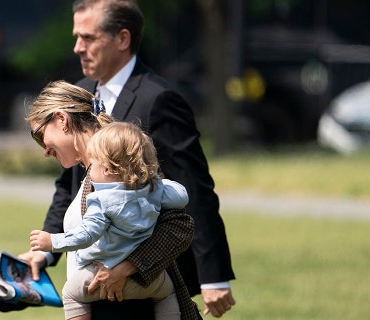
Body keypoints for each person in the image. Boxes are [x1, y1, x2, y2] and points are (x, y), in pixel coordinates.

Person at [25, 0, 237, 318]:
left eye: (88, 38)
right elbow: (67, 188)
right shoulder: (80, 96)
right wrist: (45, 253)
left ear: (122, 39)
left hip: (145, 285)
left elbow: (194, 190)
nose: (77, 48)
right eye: (76, 37)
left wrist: (213, 275)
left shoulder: (158, 100)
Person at [20, 80, 199, 319]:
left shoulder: (118, 164)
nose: (44, 150)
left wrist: (125, 269)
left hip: (131, 310)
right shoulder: (91, 168)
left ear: (61, 120)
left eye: (40, 136)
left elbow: (179, 227)